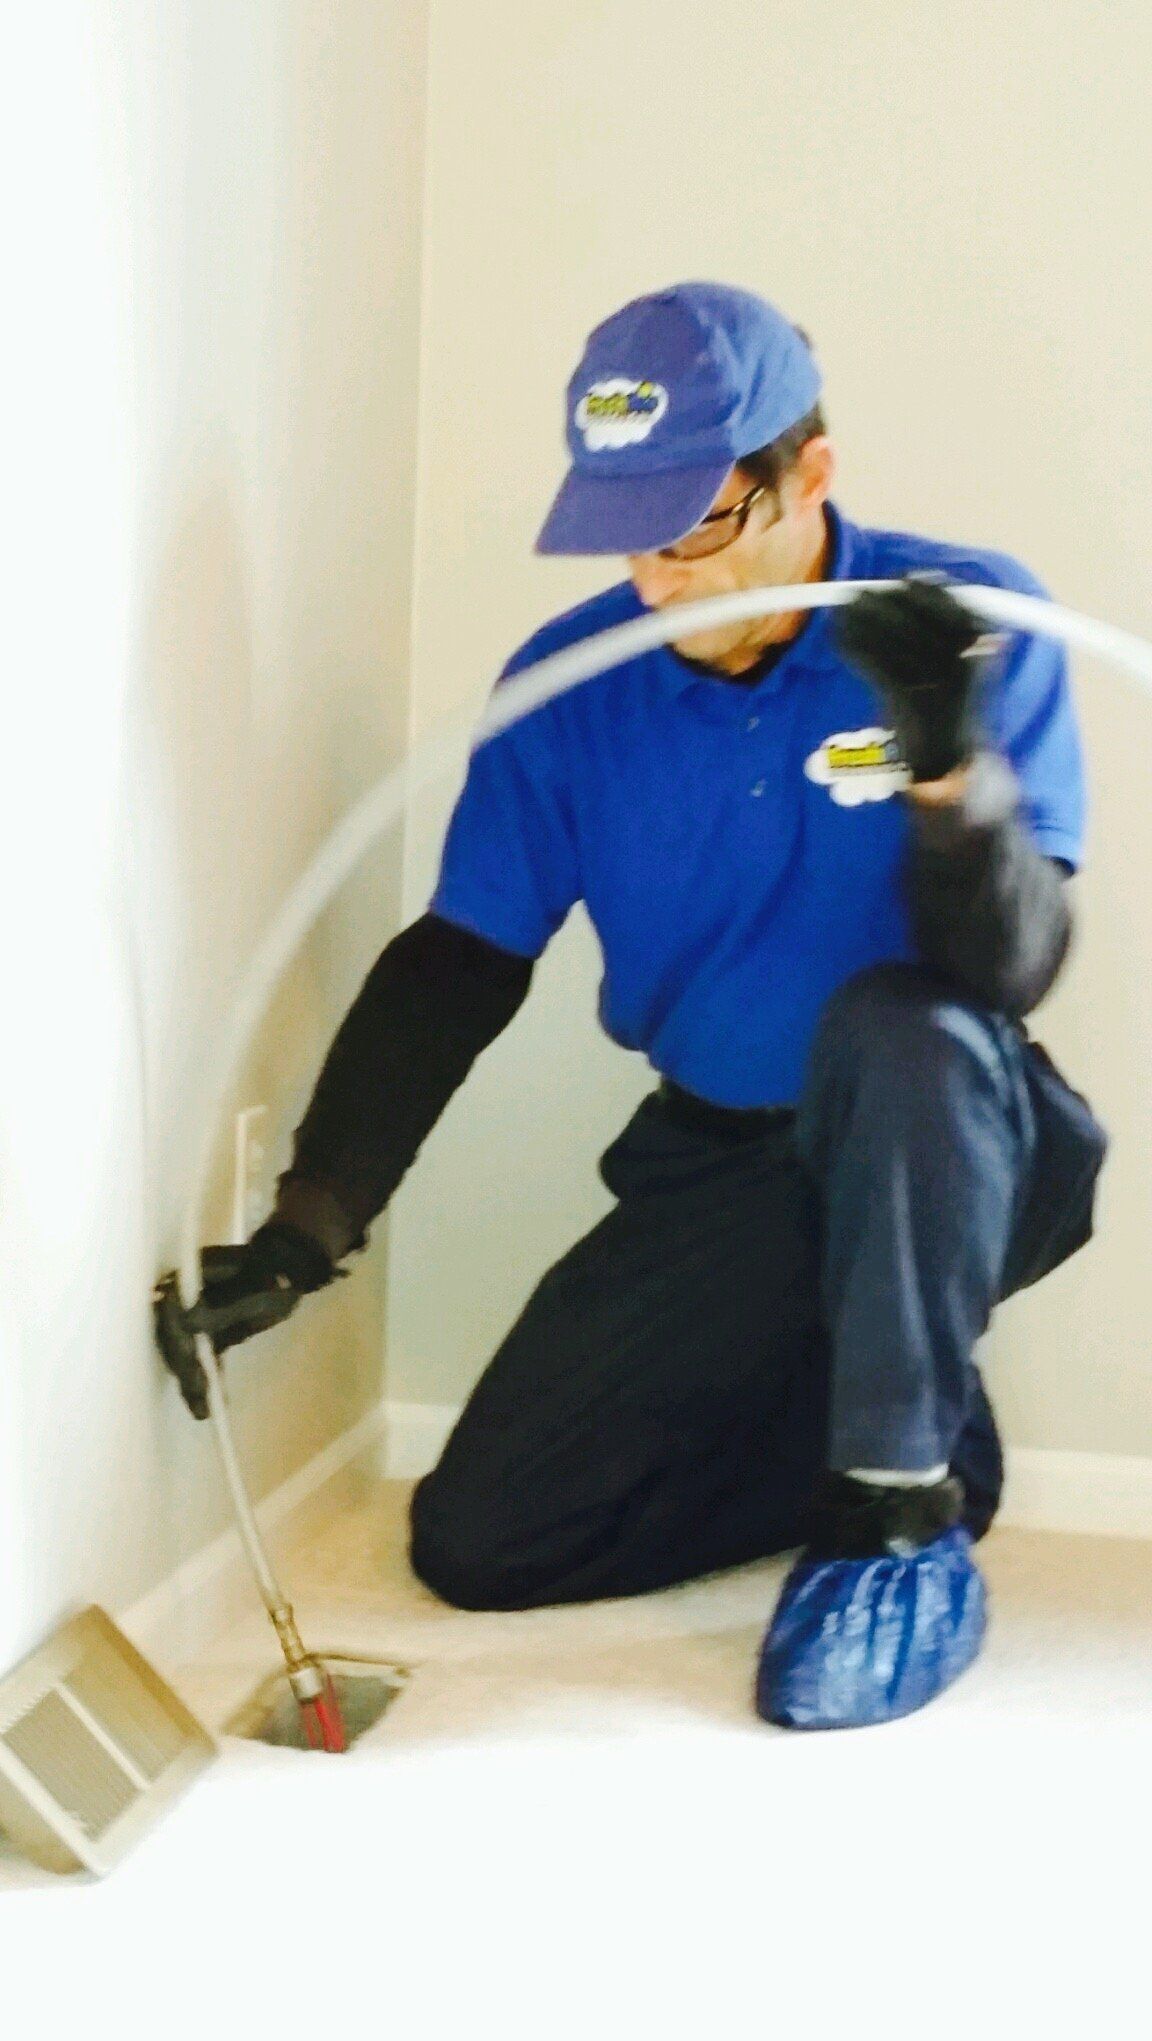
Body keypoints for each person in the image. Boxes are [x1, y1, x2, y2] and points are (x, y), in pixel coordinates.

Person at [154, 282, 1108, 1729]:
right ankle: (903, 1420)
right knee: (482, 1540)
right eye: (626, 532)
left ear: (814, 478)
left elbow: (1009, 975)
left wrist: (946, 771)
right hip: (725, 1162)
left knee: (895, 1022)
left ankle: (898, 1518)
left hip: (955, 1141)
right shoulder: (569, 685)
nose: (658, 578)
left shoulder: (959, 629)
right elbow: (461, 964)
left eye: (698, 529)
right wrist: (308, 1228)